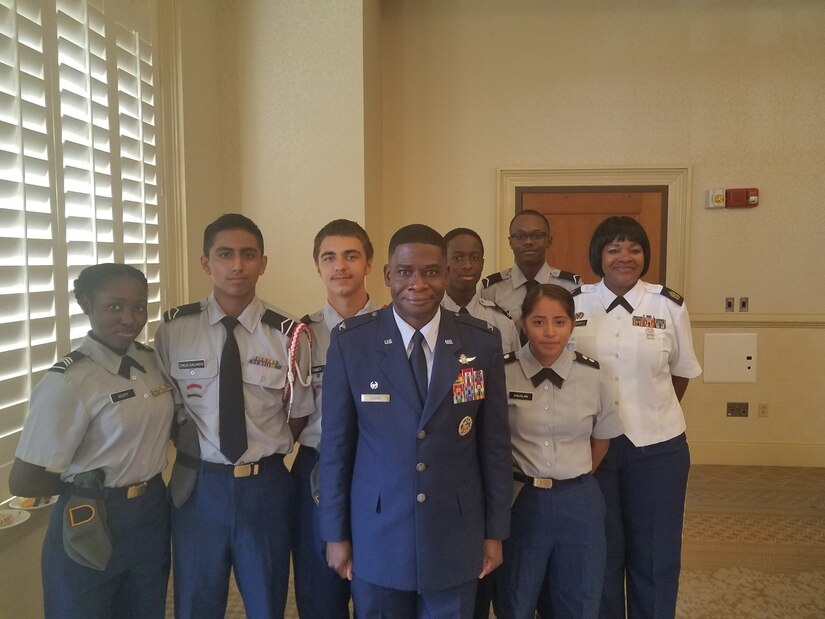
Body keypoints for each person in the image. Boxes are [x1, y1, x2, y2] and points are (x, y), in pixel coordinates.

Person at [319, 224, 512, 619]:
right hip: (378, 532)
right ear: (388, 274)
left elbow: (494, 446)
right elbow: (336, 448)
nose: (418, 283)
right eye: (406, 271)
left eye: (431, 271)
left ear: (445, 273)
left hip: (455, 532)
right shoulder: (352, 342)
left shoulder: (481, 342)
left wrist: (495, 532)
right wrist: (335, 534)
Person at [154, 213, 313, 619]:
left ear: (263, 262)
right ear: (205, 262)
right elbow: (167, 410)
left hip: (265, 487)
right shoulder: (175, 329)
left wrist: (262, 447)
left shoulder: (289, 335)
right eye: (225, 254)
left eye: (248, 254)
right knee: (195, 599)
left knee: (267, 598)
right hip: (199, 487)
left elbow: (296, 416)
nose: (237, 265)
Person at [9, 264, 174, 618]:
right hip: (92, 515)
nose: (129, 318)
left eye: (139, 306)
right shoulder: (70, 380)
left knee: (146, 607)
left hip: (151, 511)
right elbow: (23, 479)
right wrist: (86, 485)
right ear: (86, 304)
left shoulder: (151, 362)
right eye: (114, 306)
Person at [570, 216, 702, 619]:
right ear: (599, 256)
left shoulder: (668, 306)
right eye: (614, 249)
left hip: (658, 449)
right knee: (603, 551)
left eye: (634, 249)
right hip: (594, 448)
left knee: (656, 553)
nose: (624, 257)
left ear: (645, 256)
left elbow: (681, 373)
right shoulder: (574, 303)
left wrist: (650, 411)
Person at [495, 284, 622, 619]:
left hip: (578, 501)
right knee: (515, 596)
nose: (549, 332)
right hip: (521, 500)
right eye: (538, 322)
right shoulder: (502, 373)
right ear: (523, 323)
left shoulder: (592, 375)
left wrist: (575, 476)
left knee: (579, 597)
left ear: (572, 324)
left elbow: (602, 438)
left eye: (559, 322)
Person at [292, 219, 377, 618]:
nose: (340, 266)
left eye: (351, 255)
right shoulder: (299, 336)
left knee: (377, 590)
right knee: (319, 594)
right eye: (329, 257)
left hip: (377, 471)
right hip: (316, 473)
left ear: (369, 264)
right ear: (318, 266)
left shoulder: (396, 327)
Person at [480, 209, 580, 327]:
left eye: (537, 235)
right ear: (510, 242)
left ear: (549, 240)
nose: (528, 241)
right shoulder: (491, 290)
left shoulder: (571, 287)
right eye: (520, 236)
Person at [442, 227, 521, 355]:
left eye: (474, 258)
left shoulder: (501, 322)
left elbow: (512, 371)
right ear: (443, 262)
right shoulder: (430, 318)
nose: (467, 265)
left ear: (482, 264)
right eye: (458, 258)